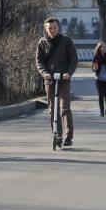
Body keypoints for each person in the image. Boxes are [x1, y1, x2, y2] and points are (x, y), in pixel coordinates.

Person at [36, 17, 78, 147]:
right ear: (46, 29)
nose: (52, 30)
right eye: (50, 28)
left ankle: (68, 136)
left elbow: (74, 60)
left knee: (65, 107)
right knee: (52, 109)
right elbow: (39, 61)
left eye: (54, 28)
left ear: (58, 28)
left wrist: (68, 73)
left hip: (63, 79)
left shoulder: (66, 41)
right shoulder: (42, 43)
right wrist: (44, 73)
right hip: (49, 79)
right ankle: (57, 134)